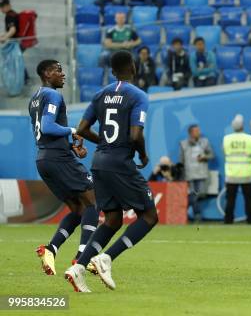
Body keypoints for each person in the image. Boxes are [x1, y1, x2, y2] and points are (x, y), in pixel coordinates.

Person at [65, 50, 156, 293]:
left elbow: (82, 129)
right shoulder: (138, 96)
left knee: (113, 219)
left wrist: (104, 142)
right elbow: (136, 134)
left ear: (112, 71)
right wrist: (144, 155)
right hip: (119, 164)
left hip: (99, 162)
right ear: (134, 67)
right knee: (149, 216)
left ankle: (78, 268)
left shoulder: (99, 95)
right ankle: (107, 258)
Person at [29, 60, 99, 277]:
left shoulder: (33, 100)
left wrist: (69, 146)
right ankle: (82, 258)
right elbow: (49, 126)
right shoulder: (53, 96)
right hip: (58, 159)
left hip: (44, 159)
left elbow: (43, 133)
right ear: (47, 73)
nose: (63, 74)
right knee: (94, 202)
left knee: (78, 209)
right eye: (58, 70)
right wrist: (74, 129)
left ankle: (51, 249)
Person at [223, 114, 251, 224]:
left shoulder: (226, 139)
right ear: (243, 126)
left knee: (230, 200)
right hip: (247, 174)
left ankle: (228, 220)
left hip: (231, 174)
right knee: (249, 199)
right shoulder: (250, 139)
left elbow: (225, 154)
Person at [179, 124, 215, 222]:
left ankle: (181, 209)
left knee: (200, 194)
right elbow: (181, 161)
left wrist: (204, 157)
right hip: (189, 175)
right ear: (190, 133)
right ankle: (197, 215)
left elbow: (212, 155)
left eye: (198, 130)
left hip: (202, 174)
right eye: (196, 131)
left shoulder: (205, 142)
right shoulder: (183, 144)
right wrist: (182, 175)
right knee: (193, 194)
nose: (198, 132)